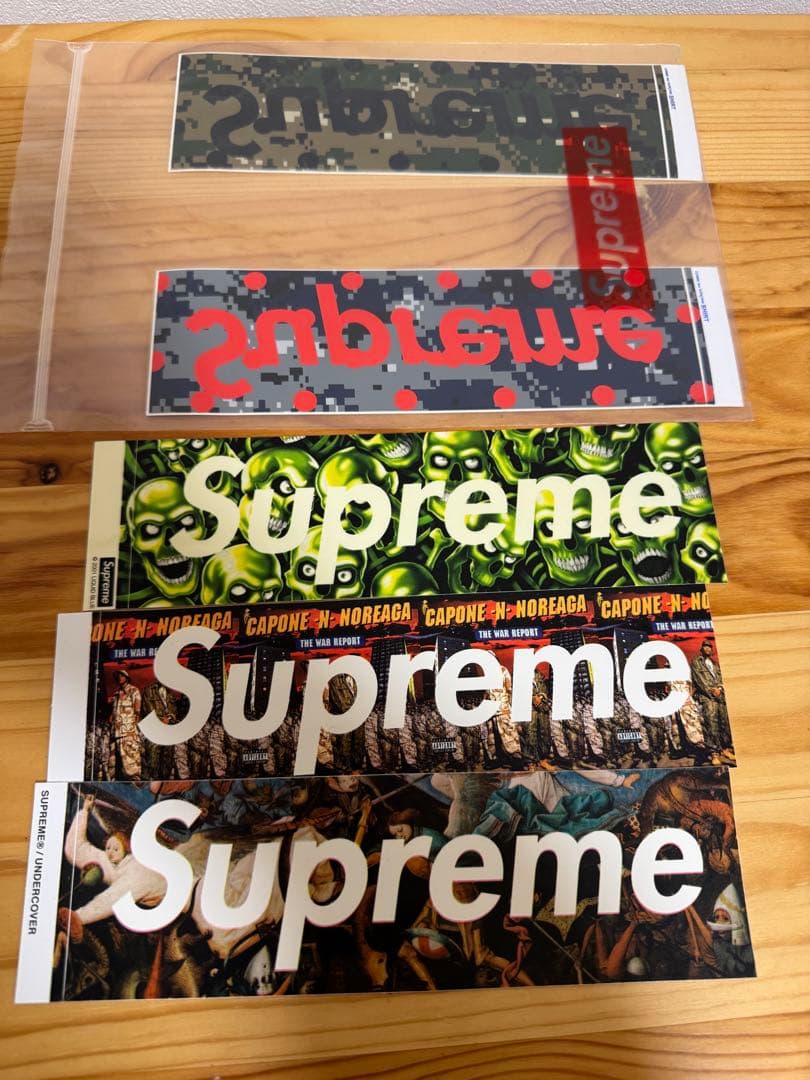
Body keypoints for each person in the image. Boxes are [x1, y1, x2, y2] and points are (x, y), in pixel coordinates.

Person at [689, 639, 730, 764]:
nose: (708, 648)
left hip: (720, 697)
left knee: (723, 723)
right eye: (705, 646)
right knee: (711, 724)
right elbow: (699, 680)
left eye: (710, 647)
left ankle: (724, 749)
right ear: (701, 649)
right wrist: (711, 691)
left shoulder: (715, 664)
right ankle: (714, 753)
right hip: (707, 698)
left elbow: (721, 678)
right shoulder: (696, 662)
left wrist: (720, 689)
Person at [110, 669, 143, 780]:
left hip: (128, 732)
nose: (119, 678)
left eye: (122, 676)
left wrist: (133, 730)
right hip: (116, 733)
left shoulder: (134, 691)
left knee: (131, 761)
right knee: (115, 764)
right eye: (118, 676)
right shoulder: (116, 694)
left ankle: (135, 781)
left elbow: (137, 711)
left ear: (127, 678)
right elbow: (114, 712)